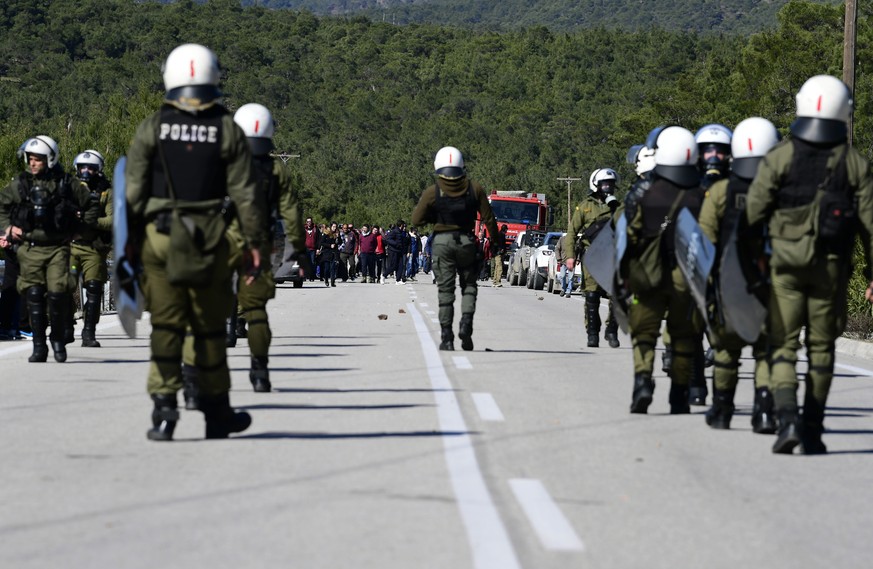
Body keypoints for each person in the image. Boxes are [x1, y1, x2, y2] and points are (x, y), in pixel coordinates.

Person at [124, 43, 265, 441]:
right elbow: (246, 194)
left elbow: (132, 193)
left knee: (166, 325)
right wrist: (254, 245)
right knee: (208, 330)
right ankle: (216, 412)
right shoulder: (227, 128)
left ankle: (164, 409)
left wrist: (129, 245)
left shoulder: (154, 125)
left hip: (160, 238)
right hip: (210, 239)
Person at [747, 75, 873, 454]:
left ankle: (786, 420)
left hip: (783, 268)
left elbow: (752, 215)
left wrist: (754, 263)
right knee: (822, 349)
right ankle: (813, 428)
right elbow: (869, 225)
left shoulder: (780, 157)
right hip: (831, 269)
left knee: (782, 345)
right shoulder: (854, 163)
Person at [697, 117, 779, 431]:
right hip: (769, 286)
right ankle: (763, 412)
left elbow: (704, 243)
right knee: (766, 352)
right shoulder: (780, 192)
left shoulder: (719, 192)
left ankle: (721, 410)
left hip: (728, 285)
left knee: (726, 352)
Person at [620, 127, 704, 414]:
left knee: (644, 334)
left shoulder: (644, 192)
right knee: (682, 337)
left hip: (647, 272)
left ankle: (642, 382)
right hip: (686, 276)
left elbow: (627, 236)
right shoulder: (700, 195)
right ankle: (679, 394)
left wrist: (623, 276)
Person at [231, 102, 306, 393]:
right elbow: (290, 212)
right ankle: (259, 371)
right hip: (258, 244)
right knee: (257, 310)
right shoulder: (276, 169)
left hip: (223, 240)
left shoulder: (224, 162)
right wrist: (299, 248)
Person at [0, 135, 96, 363]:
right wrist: (8, 228)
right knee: (34, 295)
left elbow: (91, 204)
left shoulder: (66, 183)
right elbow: (2, 207)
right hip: (30, 248)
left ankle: (57, 337)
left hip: (57, 248)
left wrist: (80, 229)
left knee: (57, 294)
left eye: (38, 159)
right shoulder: (20, 184)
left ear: (50, 159)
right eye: (30, 159)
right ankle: (39, 345)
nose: (33, 163)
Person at [412, 146, 499, 351]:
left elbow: (416, 219)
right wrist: (496, 242)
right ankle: (466, 325)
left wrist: (436, 216)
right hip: (466, 242)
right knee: (469, 286)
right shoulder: (474, 188)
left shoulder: (433, 191)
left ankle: (447, 337)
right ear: (462, 165)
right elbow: (489, 219)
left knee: (445, 290)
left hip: (442, 242)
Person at [566, 168, 621, 348]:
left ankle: (611, 330)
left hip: (613, 257)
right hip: (592, 255)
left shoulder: (618, 207)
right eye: (605, 184)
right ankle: (592, 332)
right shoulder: (585, 206)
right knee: (592, 295)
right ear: (596, 185)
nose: (608, 187)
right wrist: (570, 256)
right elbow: (572, 233)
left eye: (611, 184)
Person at [70, 150, 113, 348]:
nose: (86, 171)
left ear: (98, 169)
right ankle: (65, 324)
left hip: (94, 248)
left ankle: (89, 332)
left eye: (91, 168)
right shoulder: (69, 187)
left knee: (94, 289)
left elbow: (113, 219)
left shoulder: (107, 191)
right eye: (82, 167)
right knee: (61, 287)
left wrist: (90, 221)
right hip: (70, 246)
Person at [383, 220, 409, 285]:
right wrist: (396, 244)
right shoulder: (394, 231)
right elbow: (388, 239)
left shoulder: (402, 232)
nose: (404, 227)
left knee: (401, 265)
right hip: (393, 251)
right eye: (403, 225)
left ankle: (398, 280)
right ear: (401, 225)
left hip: (400, 251)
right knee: (393, 266)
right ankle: (383, 275)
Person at [318, 221, 341, 287]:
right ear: (330, 227)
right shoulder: (326, 233)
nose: (334, 228)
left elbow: (340, 242)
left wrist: (338, 237)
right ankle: (326, 280)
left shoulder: (336, 233)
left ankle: (332, 282)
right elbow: (322, 242)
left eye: (335, 227)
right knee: (326, 269)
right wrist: (329, 245)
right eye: (333, 226)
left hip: (334, 253)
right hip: (327, 253)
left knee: (333, 268)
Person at [304, 217, 318, 281]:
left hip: (313, 249)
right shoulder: (304, 229)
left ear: (312, 222)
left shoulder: (315, 229)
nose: (309, 223)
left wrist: (318, 248)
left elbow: (318, 239)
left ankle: (312, 276)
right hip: (306, 249)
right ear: (306, 222)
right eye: (307, 221)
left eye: (310, 221)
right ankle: (304, 276)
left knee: (312, 263)